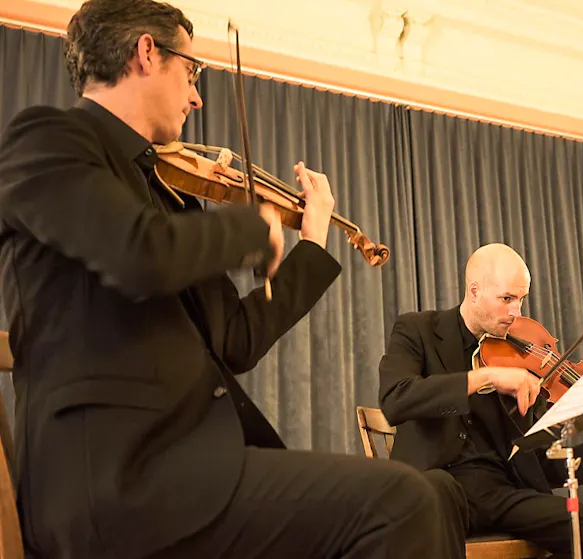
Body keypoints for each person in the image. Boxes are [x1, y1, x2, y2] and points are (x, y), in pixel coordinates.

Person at [0, 1, 448, 557]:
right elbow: (139, 253)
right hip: (111, 481)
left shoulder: (169, 196)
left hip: (186, 471)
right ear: (146, 53)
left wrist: (311, 245)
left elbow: (235, 340)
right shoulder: (48, 139)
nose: (197, 97)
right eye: (191, 73)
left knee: (417, 498)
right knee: (400, 502)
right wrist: (253, 227)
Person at [378, 242, 583, 559]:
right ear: (474, 292)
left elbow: (538, 462)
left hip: (502, 493)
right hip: (440, 487)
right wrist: (484, 378)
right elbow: (396, 398)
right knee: (436, 489)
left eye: (521, 300)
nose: (516, 312)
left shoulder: (521, 357)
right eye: (506, 299)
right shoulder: (418, 330)